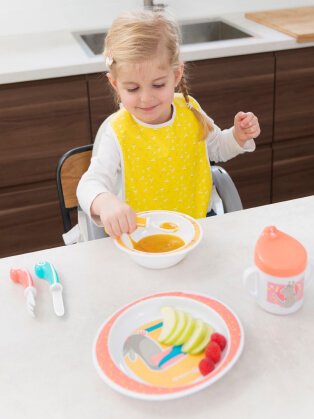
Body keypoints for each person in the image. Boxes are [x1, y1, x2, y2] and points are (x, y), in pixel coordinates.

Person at [77, 10, 261, 239]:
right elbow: (89, 183)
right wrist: (104, 202)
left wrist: (238, 136)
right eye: (133, 89)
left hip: (198, 226)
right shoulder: (118, 131)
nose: (146, 98)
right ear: (115, 84)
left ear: (176, 75)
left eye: (158, 85)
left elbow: (216, 148)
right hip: (142, 235)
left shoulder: (189, 110)